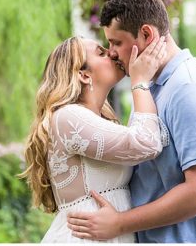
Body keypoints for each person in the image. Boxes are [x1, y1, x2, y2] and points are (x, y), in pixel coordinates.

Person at [66, 0, 196, 243]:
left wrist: (119, 224)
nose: (112, 53)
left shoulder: (189, 89)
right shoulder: (151, 87)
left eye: (117, 42)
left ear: (146, 34)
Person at [19, 34, 171, 243]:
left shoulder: (98, 120)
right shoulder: (68, 117)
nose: (112, 53)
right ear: (84, 75)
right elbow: (146, 143)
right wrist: (140, 83)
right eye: (101, 53)